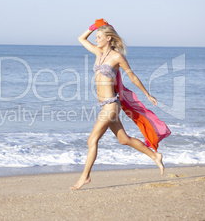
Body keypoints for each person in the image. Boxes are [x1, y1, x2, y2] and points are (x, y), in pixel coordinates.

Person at [71, 19, 171, 190]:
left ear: (108, 38)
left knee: (91, 140)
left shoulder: (117, 57)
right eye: (96, 37)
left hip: (111, 105)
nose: (96, 39)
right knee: (124, 140)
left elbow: (132, 76)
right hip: (106, 105)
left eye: (99, 36)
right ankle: (155, 156)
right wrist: (93, 27)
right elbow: (81, 39)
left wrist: (147, 94)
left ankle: (84, 177)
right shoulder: (98, 53)